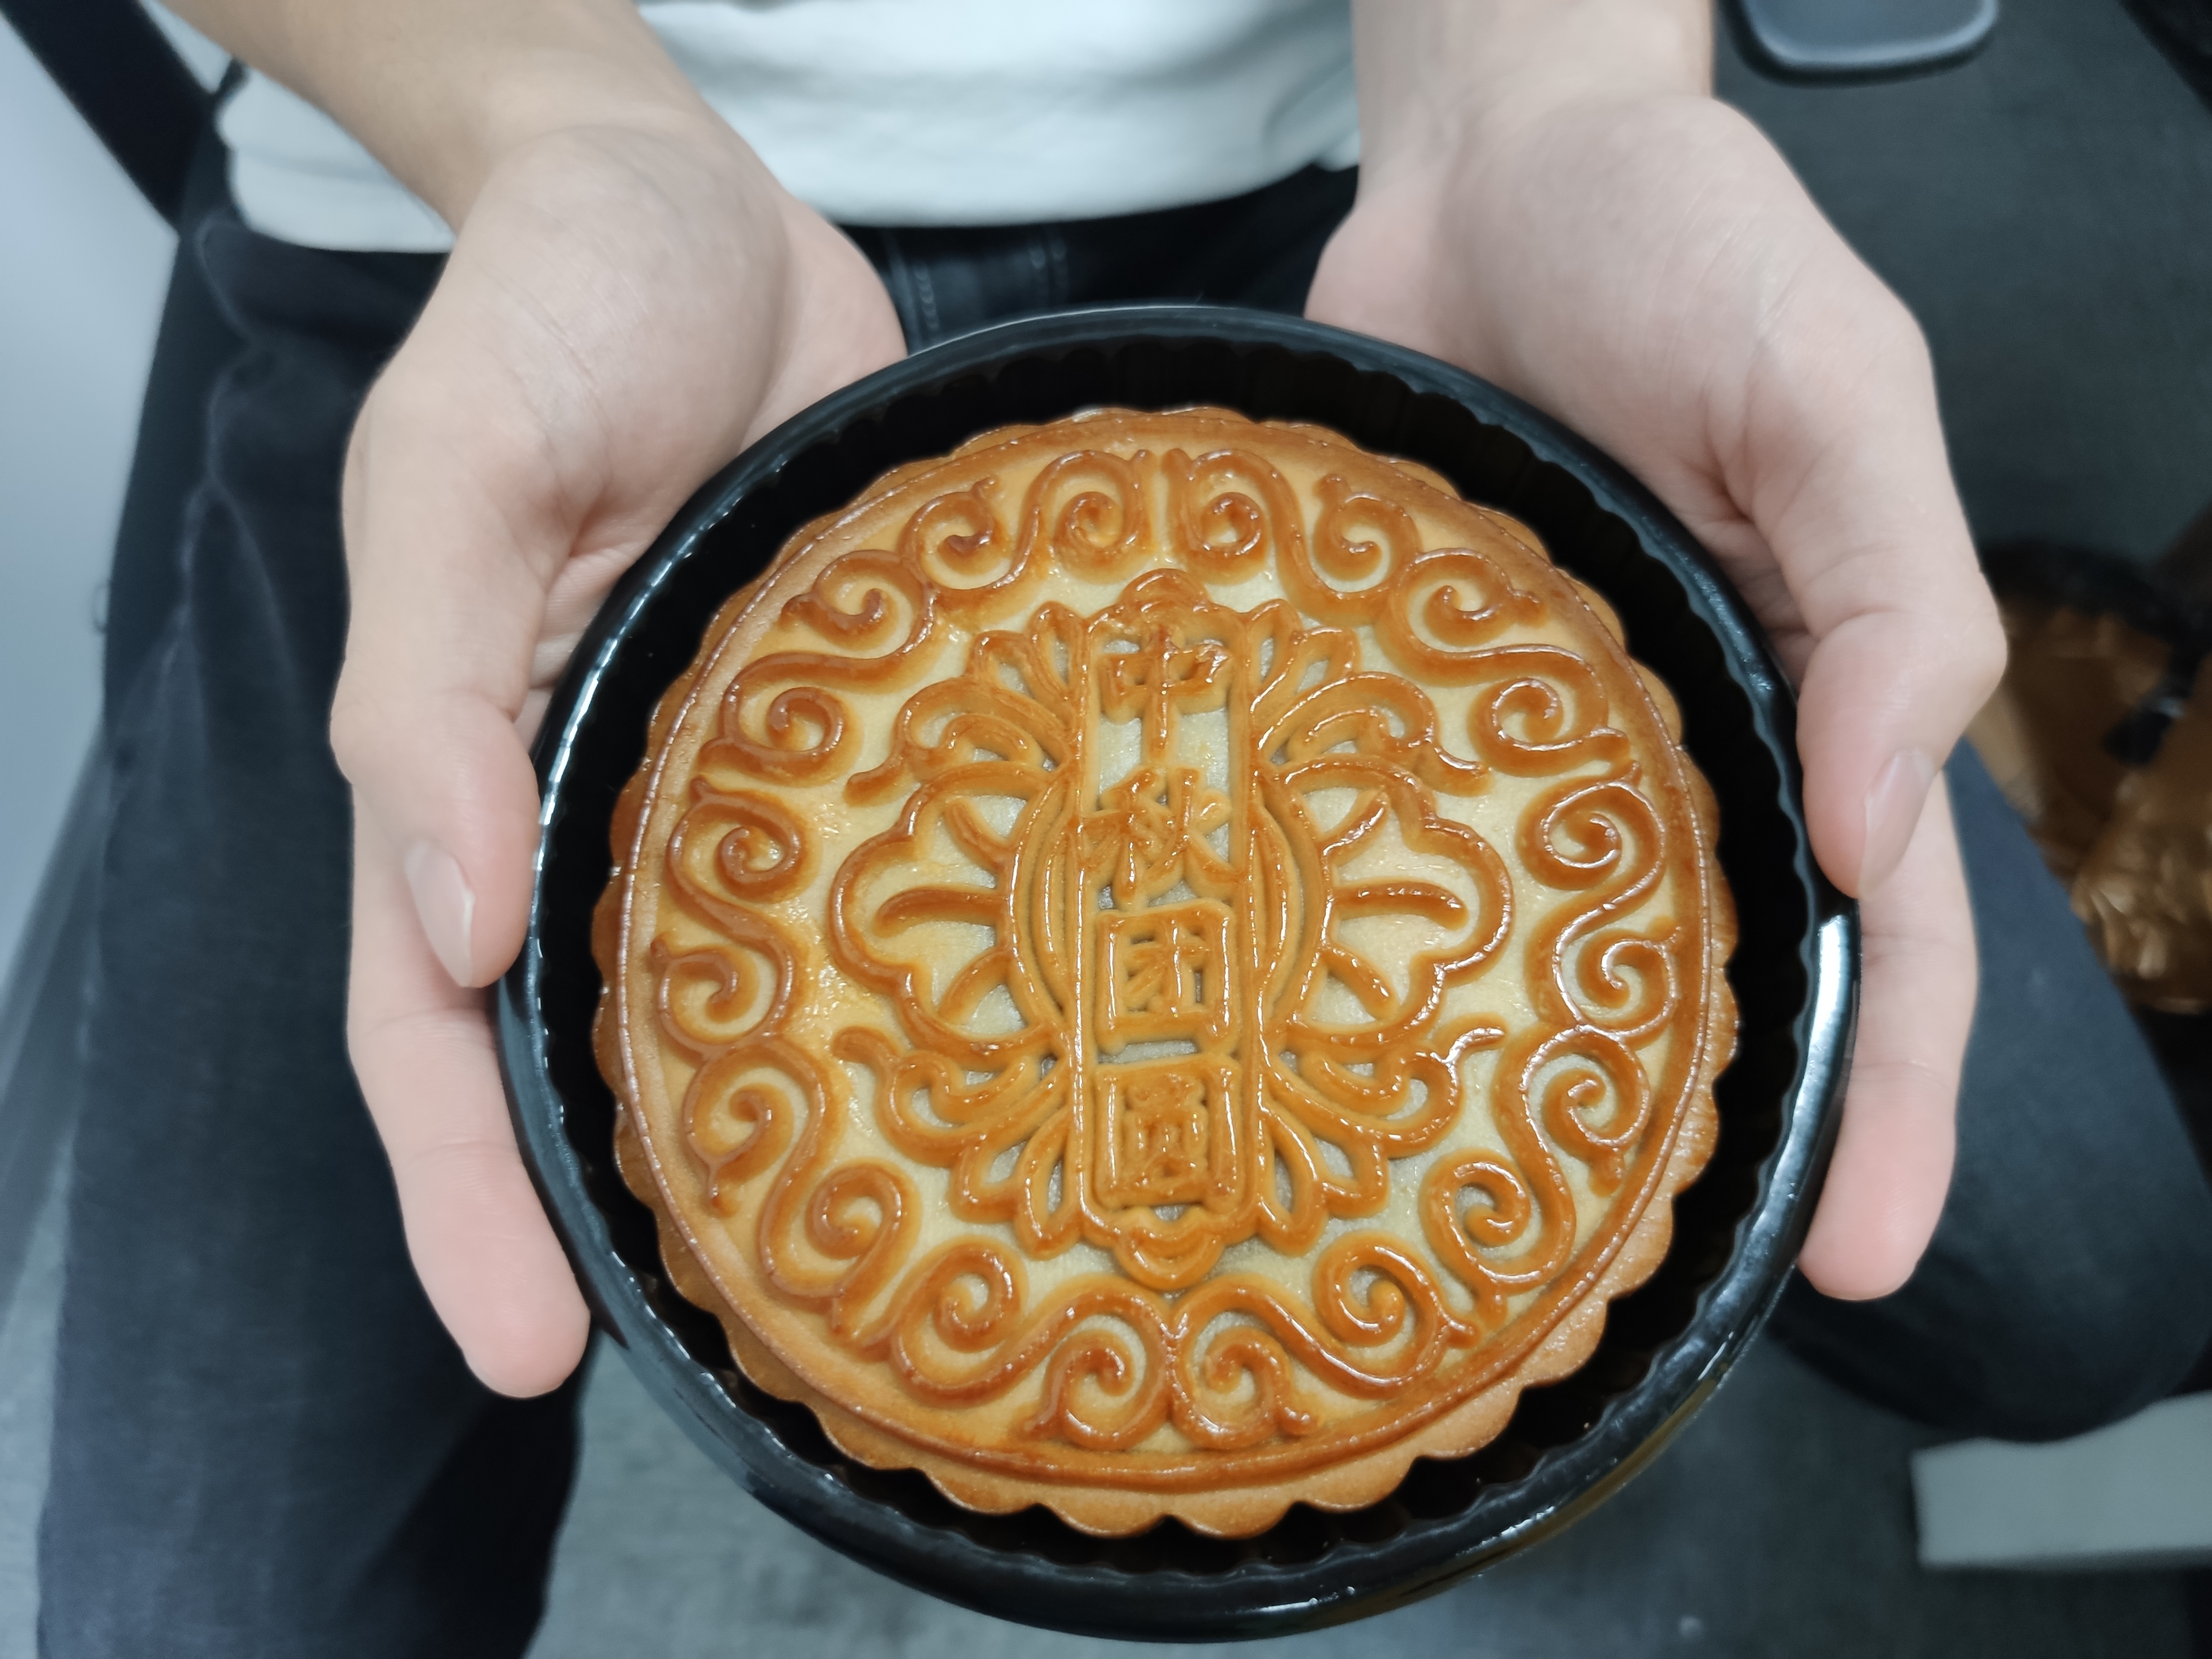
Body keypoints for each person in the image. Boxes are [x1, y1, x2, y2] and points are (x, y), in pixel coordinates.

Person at [33, 2, 2212, 1654]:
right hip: (495, 219)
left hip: (1366, 207)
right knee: (189, 1607)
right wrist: (543, 127)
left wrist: (1551, 102)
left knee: (2095, 1288)